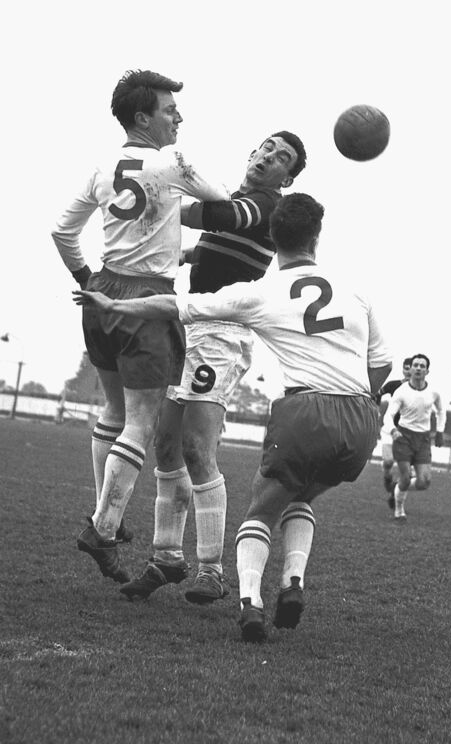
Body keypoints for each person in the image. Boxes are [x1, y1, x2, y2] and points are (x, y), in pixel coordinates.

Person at [73, 192, 393, 642]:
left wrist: (114, 304)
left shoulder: (261, 291)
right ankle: (261, 576)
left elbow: (172, 306)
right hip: (360, 416)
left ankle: (240, 595)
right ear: (316, 237)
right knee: (288, 492)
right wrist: (362, 402)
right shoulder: (355, 290)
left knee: (250, 503)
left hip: (293, 401)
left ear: (272, 239)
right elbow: (382, 364)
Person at [52, 69, 229, 584]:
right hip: (147, 298)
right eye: (170, 110)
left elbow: (61, 231)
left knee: (113, 411)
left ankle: (105, 513)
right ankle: (102, 529)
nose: (179, 117)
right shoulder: (171, 162)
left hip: (102, 292)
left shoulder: (101, 167)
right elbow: (220, 196)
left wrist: (86, 278)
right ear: (142, 117)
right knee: (142, 422)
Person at [120, 130, 307, 605]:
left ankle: (211, 569)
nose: (268, 156)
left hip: (222, 334)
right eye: (266, 147)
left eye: (282, 157)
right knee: (166, 444)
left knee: (196, 447)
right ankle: (166, 557)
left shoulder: (266, 204)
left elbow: (224, 217)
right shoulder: (239, 198)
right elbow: (205, 251)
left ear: (287, 178)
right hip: (191, 326)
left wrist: (159, 200)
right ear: (253, 152)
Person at [385, 354, 446, 521]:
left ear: (427, 371)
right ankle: (399, 511)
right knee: (405, 478)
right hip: (403, 437)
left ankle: (396, 487)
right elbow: (388, 415)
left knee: (424, 482)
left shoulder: (434, 392)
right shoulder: (401, 392)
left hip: (423, 439)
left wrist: (440, 431)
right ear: (410, 369)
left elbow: (441, 411)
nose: (418, 368)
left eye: (422, 366)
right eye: (415, 365)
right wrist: (393, 430)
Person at [375, 357, 412, 500]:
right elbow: (377, 394)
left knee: (408, 471)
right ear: (403, 370)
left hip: (408, 432)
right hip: (390, 429)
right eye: (406, 369)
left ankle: (395, 493)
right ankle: (388, 479)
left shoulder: (420, 391)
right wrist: (376, 411)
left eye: (411, 369)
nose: (409, 372)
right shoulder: (394, 385)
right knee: (388, 461)